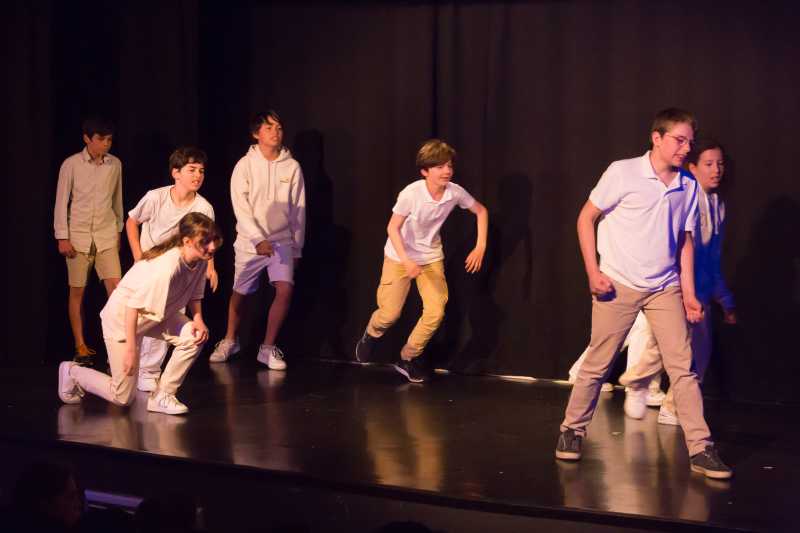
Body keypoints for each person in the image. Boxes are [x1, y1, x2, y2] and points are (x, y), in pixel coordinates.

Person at [555, 109, 732, 479]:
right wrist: (593, 272)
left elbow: (685, 241)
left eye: (689, 142)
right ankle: (572, 430)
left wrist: (688, 293)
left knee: (683, 367)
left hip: (664, 287)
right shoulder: (623, 172)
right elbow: (586, 217)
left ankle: (701, 447)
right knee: (597, 363)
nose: (685, 148)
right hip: (618, 282)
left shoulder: (687, 185)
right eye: (679, 140)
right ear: (657, 138)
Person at [619, 138, 737, 425]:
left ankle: (672, 407)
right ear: (692, 168)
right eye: (709, 164)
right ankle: (637, 382)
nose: (716, 170)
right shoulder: (684, 198)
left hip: (701, 291)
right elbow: (675, 247)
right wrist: (681, 291)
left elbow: (712, 257)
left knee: (698, 353)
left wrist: (724, 299)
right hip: (676, 287)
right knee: (665, 346)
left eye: (720, 164)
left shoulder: (717, 204)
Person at [58, 213, 221, 415]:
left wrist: (198, 319)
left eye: (213, 240)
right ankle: (72, 372)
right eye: (205, 242)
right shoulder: (165, 268)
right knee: (123, 397)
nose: (212, 247)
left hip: (156, 316)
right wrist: (130, 349)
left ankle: (163, 395)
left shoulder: (201, 260)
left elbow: (194, 293)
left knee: (194, 336)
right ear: (187, 241)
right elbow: (132, 306)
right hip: (122, 322)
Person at [354, 139, 488, 383]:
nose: (447, 171)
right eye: (439, 167)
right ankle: (371, 333)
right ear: (425, 171)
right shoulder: (411, 194)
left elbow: (481, 211)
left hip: (430, 257)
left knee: (436, 311)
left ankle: (407, 357)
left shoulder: (454, 192)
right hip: (399, 256)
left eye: (449, 166)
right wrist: (406, 261)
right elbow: (392, 228)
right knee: (389, 314)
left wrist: (480, 246)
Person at [209, 110, 306, 370]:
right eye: (269, 128)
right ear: (256, 134)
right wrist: (256, 239)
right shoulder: (245, 165)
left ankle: (267, 347)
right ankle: (230, 339)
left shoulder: (292, 167)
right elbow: (240, 207)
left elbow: (298, 210)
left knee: (285, 289)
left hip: (282, 241)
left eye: (279, 128)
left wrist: (297, 247)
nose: (275, 132)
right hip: (249, 243)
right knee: (239, 294)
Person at [126, 147, 217, 393]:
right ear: (176, 173)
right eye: (192, 170)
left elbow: (206, 240)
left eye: (201, 171)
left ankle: (150, 371)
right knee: (142, 317)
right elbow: (132, 221)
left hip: (179, 271)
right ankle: (133, 365)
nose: (198, 175)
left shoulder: (203, 207)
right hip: (149, 267)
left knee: (169, 317)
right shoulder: (156, 197)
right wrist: (137, 255)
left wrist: (210, 266)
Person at [53, 117, 123, 366]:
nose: (106, 144)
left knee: (117, 292)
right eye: (101, 139)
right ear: (87, 138)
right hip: (78, 237)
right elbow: (61, 202)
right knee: (78, 292)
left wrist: (118, 231)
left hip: (106, 235)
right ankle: (80, 345)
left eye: (109, 140)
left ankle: (117, 346)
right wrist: (62, 236)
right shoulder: (71, 164)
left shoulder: (114, 164)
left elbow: (117, 199)